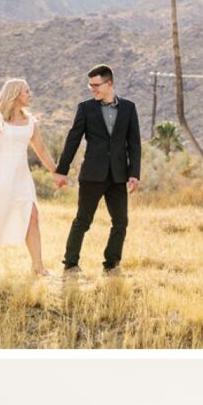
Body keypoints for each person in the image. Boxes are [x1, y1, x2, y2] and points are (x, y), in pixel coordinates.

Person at [54, 65, 142, 278]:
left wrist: (134, 173)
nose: (92, 89)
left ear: (109, 83)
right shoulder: (86, 108)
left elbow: (134, 143)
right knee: (83, 221)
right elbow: (73, 140)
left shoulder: (129, 108)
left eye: (96, 85)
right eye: (90, 85)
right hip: (92, 175)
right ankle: (70, 265)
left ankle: (111, 266)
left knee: (121, 222)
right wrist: (62, 170)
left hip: (118, 176)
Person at [0, 79, 59, 277]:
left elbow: (41, 150)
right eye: (26, 91)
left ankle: (37, 266)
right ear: (15, 94)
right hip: (2, 174)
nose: (30, 94)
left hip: (23, 177)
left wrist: (56, 172)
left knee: (32, 216)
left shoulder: (31, 122)